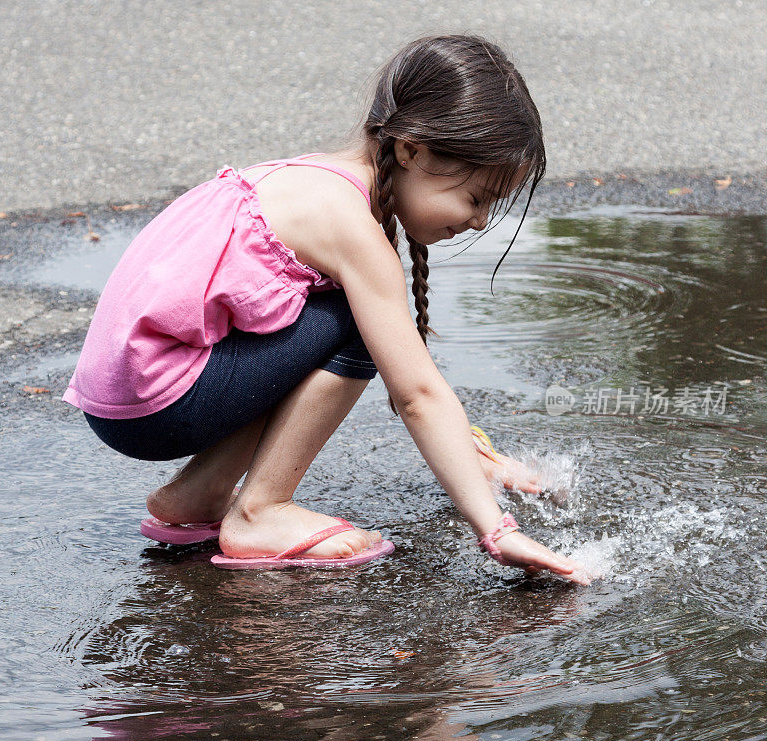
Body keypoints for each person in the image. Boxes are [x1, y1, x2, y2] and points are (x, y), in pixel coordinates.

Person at [63, 34, 590, 582]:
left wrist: (475, 455)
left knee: (344, 321)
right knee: (351, 325)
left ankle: (200, 494)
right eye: (475, 198)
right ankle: (259, 511)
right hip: (155, 405)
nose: (480, 221)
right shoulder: (352, 231)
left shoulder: (314, 179)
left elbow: (406, 380)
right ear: (411, 149)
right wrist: (497, 530)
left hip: (123, 392)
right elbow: (416, 394)